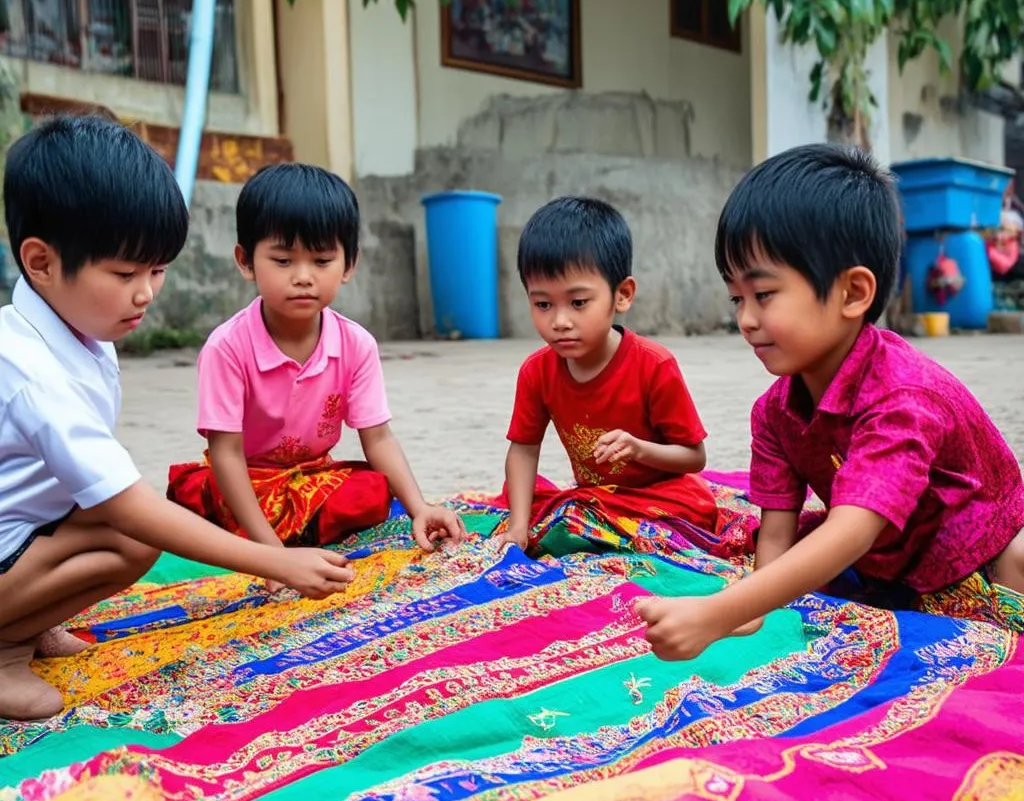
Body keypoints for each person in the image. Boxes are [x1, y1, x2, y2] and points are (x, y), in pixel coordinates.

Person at [0, 116, 354, 721]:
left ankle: (29, 621)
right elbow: (129, 506)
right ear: (41, 263)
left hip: (23, 530)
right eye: (125, 274)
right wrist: (275, 560)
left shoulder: (78, 333)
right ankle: (5, 648)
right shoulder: (29, 371)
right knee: (137, 535)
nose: (147, 293)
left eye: (157, 271)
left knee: (123, 523)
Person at [638, 144, 1024, 661]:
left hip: (976, 549)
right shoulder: (774, 412)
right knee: (804, 556)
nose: (746, 319)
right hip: (892, 558)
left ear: (852, 293)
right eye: (737, 298)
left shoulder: (902, 397)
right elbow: (774, 534)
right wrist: (749, 611)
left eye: (765, 294)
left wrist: (716, 613)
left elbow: (850, 531)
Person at [167, 163, 463, 575]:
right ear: (245, 261)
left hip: (311, 478)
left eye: (322, 260)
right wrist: (270, 556)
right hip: (246, 480)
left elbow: (376, 437)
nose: (304, 277)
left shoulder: (356, 344)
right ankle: (266, 538)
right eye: (283, 260)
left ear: (348, 264)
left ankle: (287, 533)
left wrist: (419, 507)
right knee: (200, 499)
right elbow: (226, 453)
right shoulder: (228, 347)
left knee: (371, 492)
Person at [500, 196, 717, 552]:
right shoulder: (536, 372)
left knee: (693, 507)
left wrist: (638, 450)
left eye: (578, 302)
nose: (560, 321)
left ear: (623, 295)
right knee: (525, 497)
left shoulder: (654, 365)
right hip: (596, 501)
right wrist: (518, 527)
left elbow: (694, 458)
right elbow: (523, 450)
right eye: (543, 304)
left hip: (659, 496)